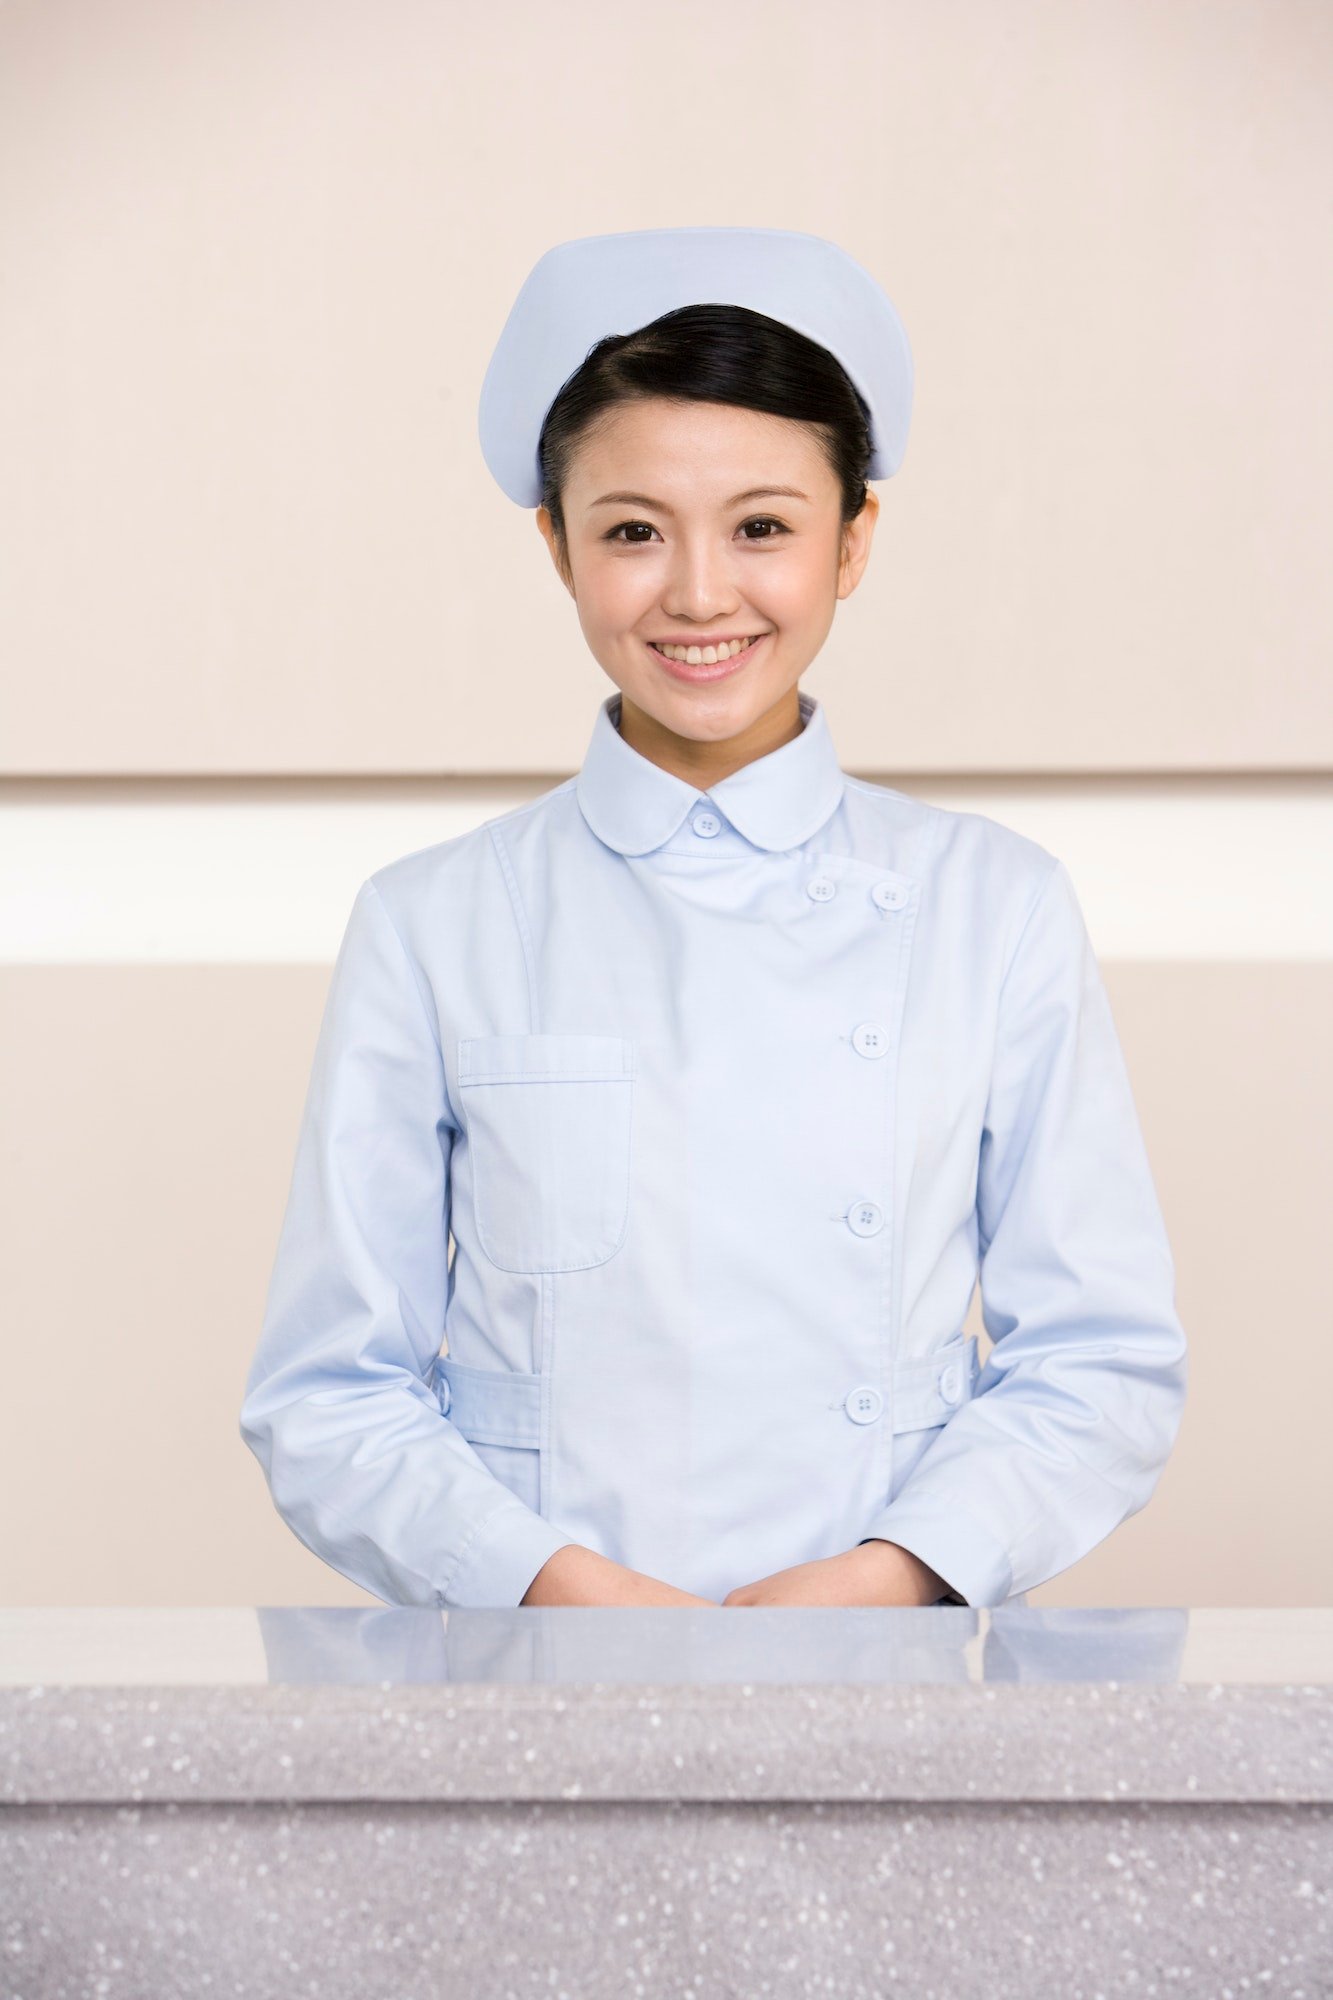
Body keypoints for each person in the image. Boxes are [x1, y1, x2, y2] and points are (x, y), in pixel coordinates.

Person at [239, 226, 1188, 1611]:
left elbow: (1101, 1361)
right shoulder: (436, 924)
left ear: (852, 540)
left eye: (762, 527)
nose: (696, 594)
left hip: (884, 1682)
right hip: (541, 1688)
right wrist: (557, 1592)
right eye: (631, 531)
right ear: (557, 547)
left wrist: (894, 1579)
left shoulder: (990, 907)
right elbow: (329, 1394)